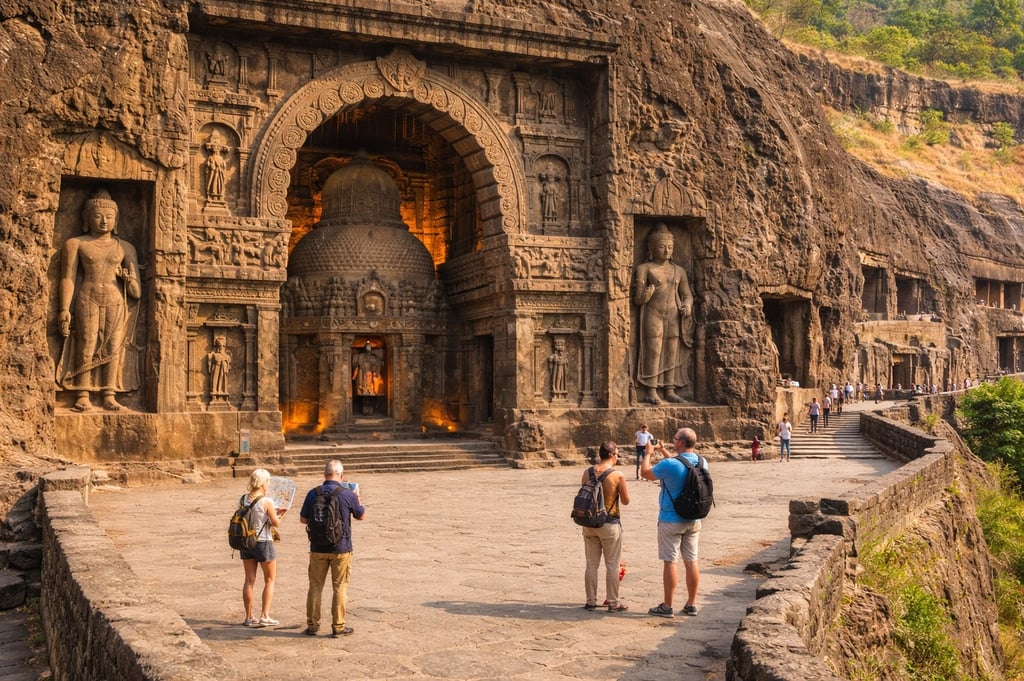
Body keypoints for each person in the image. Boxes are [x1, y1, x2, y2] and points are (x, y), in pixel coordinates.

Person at [57, 189, 141, 412]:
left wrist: (128, 280)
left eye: (109, 217)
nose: (104, 221)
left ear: (116, 220)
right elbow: (68, 277)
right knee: (86, 342)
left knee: (113, 346)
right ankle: (82, 393)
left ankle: (109, 394)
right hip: (87, 296)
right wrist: (64, 308)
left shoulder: (125, 247)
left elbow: (136, 292)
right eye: (97, 215)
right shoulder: (76, 244)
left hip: (115, 298)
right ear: (86, 217)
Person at [640, 427, 706, 617]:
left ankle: (667, 606)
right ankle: (691, 604)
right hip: (693, 518)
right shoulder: (702, 462)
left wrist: (648, 454)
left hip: (671, 519)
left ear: (680, 443)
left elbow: (646, 473)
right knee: (691, 561)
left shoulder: (669, 465)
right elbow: (681, 465)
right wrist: (662, 450)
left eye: (675, 438)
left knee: (670, 562)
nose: (673, 440)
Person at [300, 459, 365, 637]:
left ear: (324, 474)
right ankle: (338, 626)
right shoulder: (348, 494)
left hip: (317, 547)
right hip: (341, 548)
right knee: (340, 587)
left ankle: (313, 625)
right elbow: (361, 515)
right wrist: (357, 496)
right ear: (341, 476)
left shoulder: (313, 493)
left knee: (315, 586)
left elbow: (303, 519)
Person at [633, 223, 694, 405]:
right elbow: (637, 300)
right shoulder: (645, 268)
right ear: (651, 247)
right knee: (654, 349)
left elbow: (687, 294)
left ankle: (670, 389)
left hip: (674, 313)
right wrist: (644, 296)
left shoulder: (679, 270)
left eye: (670, 247)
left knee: (671, 350)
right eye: (661, 246)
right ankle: (651, 390)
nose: (666, 250)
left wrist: (687, 305)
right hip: (653, 313)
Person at [581, 442, 631, 613]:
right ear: (611, 455)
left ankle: (590, 601)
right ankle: (613, 602)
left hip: (588, 523)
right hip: (609, 523)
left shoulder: (587, 473)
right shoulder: (617, 475)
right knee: (612, 564)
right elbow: (625, 500)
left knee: (591, 564)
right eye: (617, 454)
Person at [238, 468, 287, 627]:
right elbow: (275, 523)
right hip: (263, 541)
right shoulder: (267, 501)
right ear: (264, 483)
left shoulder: (243, 499)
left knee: (249, 580)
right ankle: (264, 615)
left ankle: (248, 616)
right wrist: (281, 514)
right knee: (270, 579)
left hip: (246, 542)